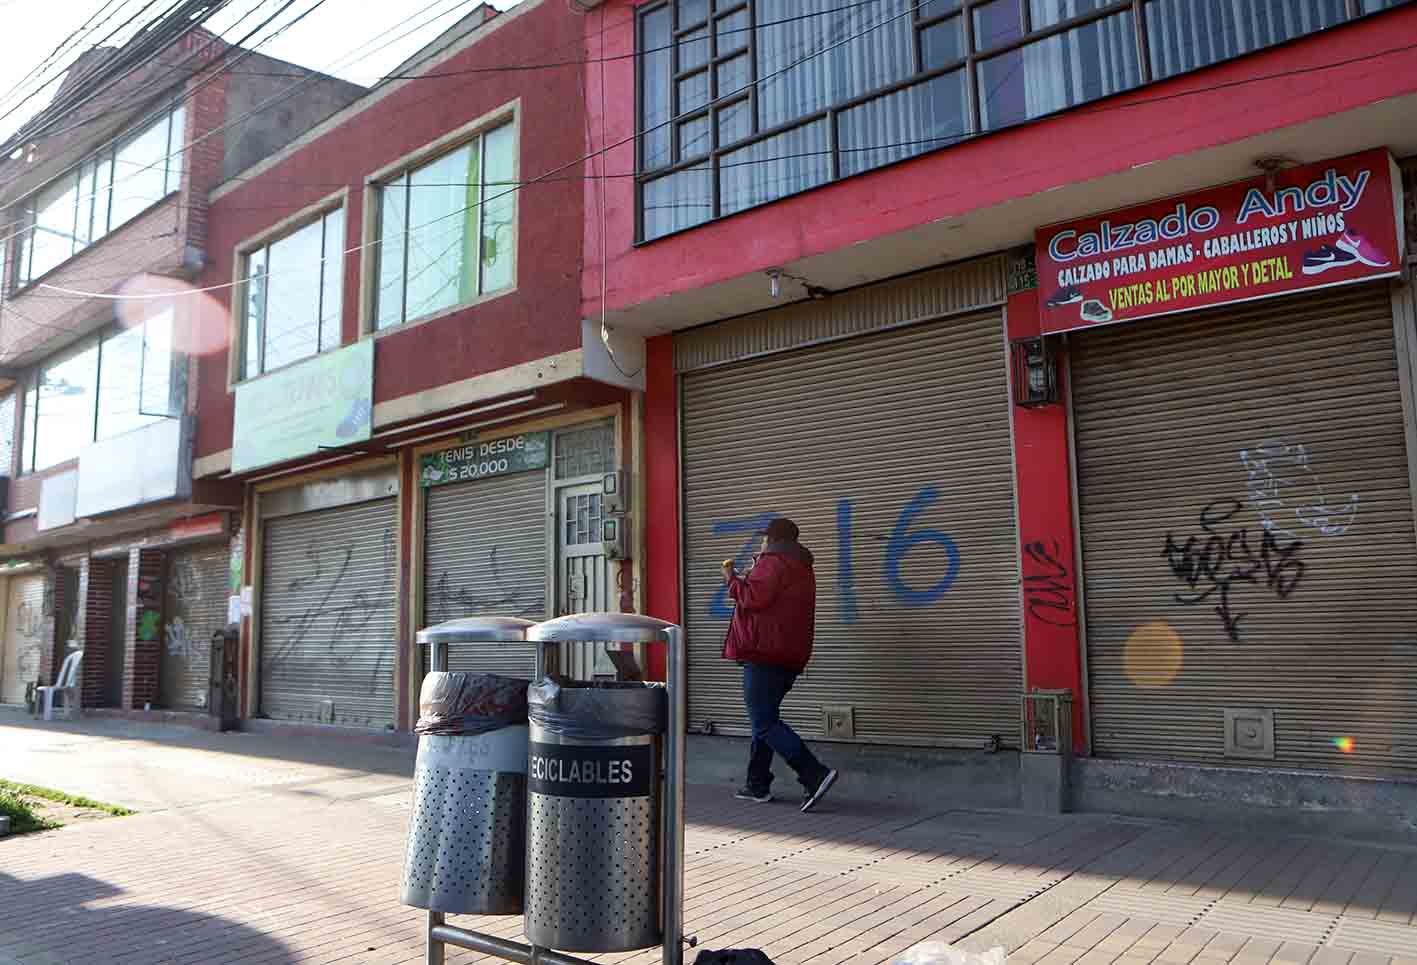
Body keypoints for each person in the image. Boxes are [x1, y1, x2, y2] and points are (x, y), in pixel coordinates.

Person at [722, 517, 839, 812]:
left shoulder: (773, 562)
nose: (762, 542)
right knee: (764, 719)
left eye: (765, 538)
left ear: (773, 540)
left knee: (764, 721)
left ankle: (814, 773)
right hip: (788, 655)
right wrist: (754, 575)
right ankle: (756, 783)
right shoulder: (800, 566)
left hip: (765, 653)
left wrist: (732, 579)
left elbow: (753, 598)